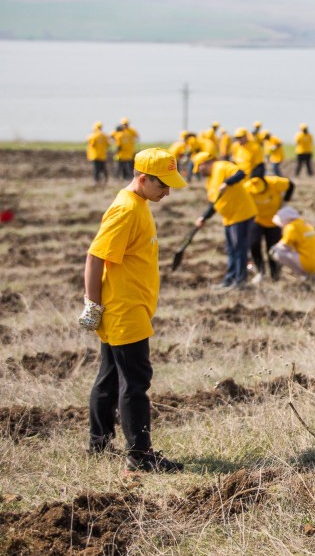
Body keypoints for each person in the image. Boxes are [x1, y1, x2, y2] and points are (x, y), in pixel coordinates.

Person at [79, 147, 186, 473]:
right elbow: (95, 257)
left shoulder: (139, 203)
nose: (167, 191)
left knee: (110, 376)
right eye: (162, 185)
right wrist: (93, 304)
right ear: (142, 179)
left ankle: (98, 444)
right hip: (124, 310)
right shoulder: (126, 209)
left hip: (130, 305)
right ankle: (140, 456)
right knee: (135, 382)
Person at [192, 152, 258, 288]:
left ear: (205, 163)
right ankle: (229, 279)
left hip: (242, 214)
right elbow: (214, 203)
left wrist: (227, 182)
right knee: (231, 249)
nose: (199, 170)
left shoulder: (221, 166)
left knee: (239, 248)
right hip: (229, 218)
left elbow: (241, 173)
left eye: (199, 167)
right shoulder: (209, 181)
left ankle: (240, 281)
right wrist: (203, 218)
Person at [245, 174, 294, 284]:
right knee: (254, 244)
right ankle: (260, 271)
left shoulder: (275, 182)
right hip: (257, 219)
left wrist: (285, 200)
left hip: (274, 220)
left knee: (272, 248)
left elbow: (291, 185)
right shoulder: (247, 187)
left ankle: (275, 275)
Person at [269, 206, 315, 279]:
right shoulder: (304, 224)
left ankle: (306, 275)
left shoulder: (292, 227)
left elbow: (282, 245)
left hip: (311, 265)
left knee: (276, 252)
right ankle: (313, 275)